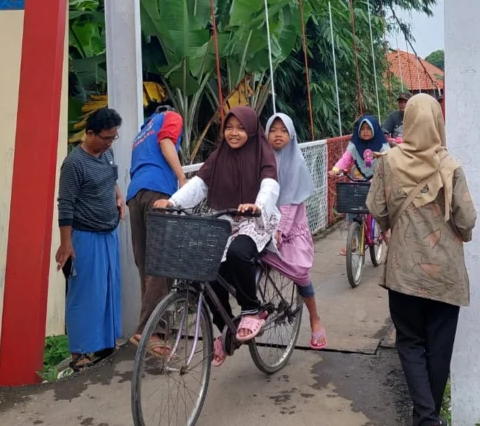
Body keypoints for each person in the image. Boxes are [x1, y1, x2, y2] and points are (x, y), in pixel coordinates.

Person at [366, 94, 476, 426]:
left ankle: (426, 418)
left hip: (404, 271)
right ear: (438, 122)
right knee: (439, 347)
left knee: (410, 342)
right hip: (446, 272)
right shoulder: (450, 165)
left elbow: (377, 209)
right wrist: (458, 236)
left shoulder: (387, 162)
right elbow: (467, 219)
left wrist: (392, 229)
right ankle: (428, 417)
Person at [160, 106, 280, 367]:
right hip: (225, 216)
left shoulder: (262, 151)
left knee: (238, 252)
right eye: (229, 127)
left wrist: (257, 205)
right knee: (208, 267)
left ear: (250, 129)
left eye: (240, 128)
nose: (233, 133)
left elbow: (270, 183)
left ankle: (251, 308)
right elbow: (200, 184)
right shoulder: (219, 155)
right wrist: (173, 203)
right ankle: (226, 327)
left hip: (255, 219)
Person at [55, 107, 126, 372]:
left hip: (108, 232)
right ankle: (80, 352)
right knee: (84, 292)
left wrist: (118, 196)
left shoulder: (106, 153)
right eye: (106, 138)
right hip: (84, 235)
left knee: (108, 289)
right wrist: (66, 243)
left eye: (113, 138)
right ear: (89, 133)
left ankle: (105, 343)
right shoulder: (74, 163)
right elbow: (66, 204)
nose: (109, 143)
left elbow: (111, 177)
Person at [261, 113, 328, 350]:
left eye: (283, 130)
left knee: (300, 273)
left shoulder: (296, 163)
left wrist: (279, 230)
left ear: (291, 136)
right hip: (263, 223)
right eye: (273, 129)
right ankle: (253, 310)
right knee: (245, 262)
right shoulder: (260, 159)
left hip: (290, 229)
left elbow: (290, 201)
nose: (277, 135)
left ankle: (314, 317)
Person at [125, 106, 186, 355]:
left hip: (135, 194)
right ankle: (150, 331)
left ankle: (151, 332)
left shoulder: (142, 132)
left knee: (147, 264)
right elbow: (167, 142)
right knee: (162, 262)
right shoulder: (170, 117)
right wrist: (181, 177)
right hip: (159, 191)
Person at [330, 115, 390, 181]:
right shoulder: (354, 146)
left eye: (369, 128)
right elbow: (345, 159)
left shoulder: (383, 147)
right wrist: (335, 169)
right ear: (358, 130)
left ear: (375, 129)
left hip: (379, 180)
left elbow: (391, 161)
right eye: (362, 129)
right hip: (359, 181)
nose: (365, 131)